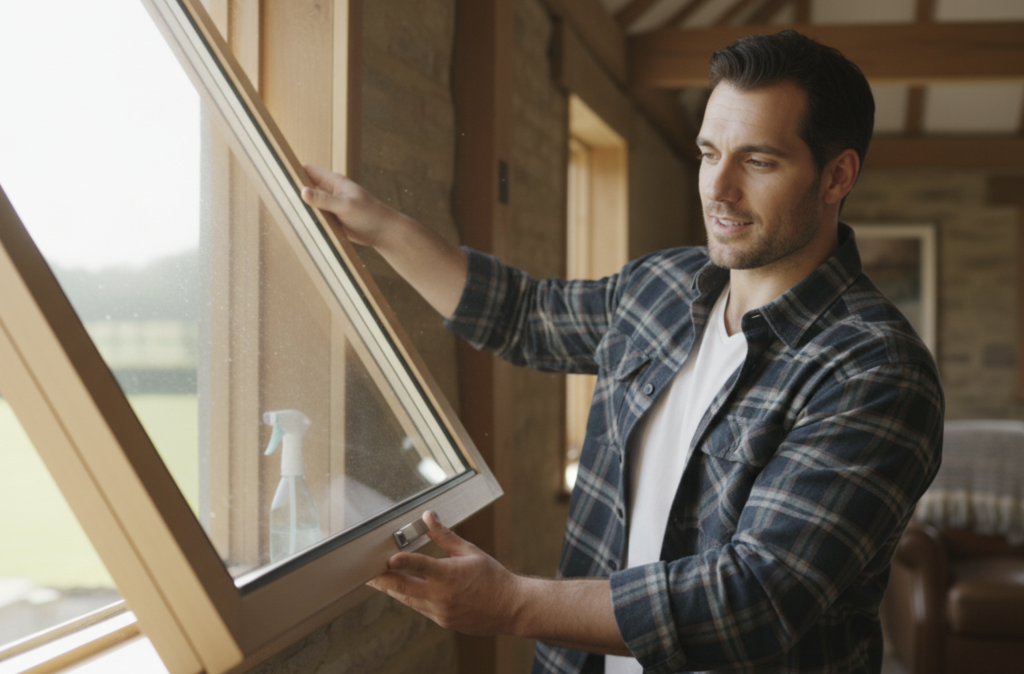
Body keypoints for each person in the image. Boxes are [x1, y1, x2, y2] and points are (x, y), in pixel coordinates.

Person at [301, 30, 943, 674]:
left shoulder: (875, 370)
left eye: (758, 162)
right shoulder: (658, 287)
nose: (718, 189)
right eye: (708, 152)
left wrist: (514, 605)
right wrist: (380, 225)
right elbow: (522, 316)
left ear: (837, 176)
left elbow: (758, 595)